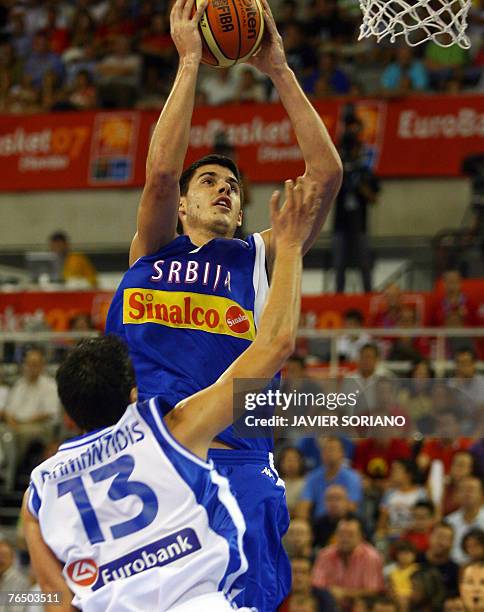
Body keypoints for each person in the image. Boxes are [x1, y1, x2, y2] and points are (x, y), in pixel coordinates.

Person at [105, 0, 342, 608]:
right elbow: (159, 175)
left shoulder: (264, 255)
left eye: (232, 186)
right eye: (208, 181)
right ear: (183, 206)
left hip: (239, 460)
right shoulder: (153, 251)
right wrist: (189, 62)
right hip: (152, 460)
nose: (225, 188)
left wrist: (280, 71)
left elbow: (326, 174)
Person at [22, 175, 316, 612]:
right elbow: (274, 346)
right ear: (133, 392)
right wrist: (290, 247)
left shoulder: (42, 486)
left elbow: (57, 601)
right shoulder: (168, 434)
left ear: (68, 410)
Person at [332, 132, 379, 293]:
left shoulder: (364, 170)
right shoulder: (338, 171)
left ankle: (367, 293)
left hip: (360, 225)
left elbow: (374, 198)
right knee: (338, 264)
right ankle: (339, 295)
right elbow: (326, 194)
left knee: (364, 262)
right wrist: (342, 176)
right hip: (341, 224)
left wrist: (358, 182)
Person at [3, 348, 60, 473]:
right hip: (16, 424)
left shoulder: (49, 385)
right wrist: (10, 419)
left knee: (15, 435)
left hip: (40, 427)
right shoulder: (19, 384)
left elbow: (49, 413)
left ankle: (12, 471)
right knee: (6, 432)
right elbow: (8, 409)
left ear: (41, 366)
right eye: (28, 364)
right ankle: (4, 463)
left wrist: (23, 422)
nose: (30, 368)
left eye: (34, 364)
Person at [312, 517, 384, 610]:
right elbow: (317, 584)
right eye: (341, 534)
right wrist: (331, 593)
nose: (344, 539)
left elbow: (373, 591)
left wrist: (344, 593)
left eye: (350, 535)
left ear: (361, 537)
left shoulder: (371, 557)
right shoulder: (325, 554)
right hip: (329, 605)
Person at [296, 437, 362, 521]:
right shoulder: (313, 477)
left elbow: (352, 507)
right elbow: (304, 505)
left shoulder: (352, 477)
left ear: (342, 453)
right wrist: (303, 522)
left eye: (333, 449)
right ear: (321, 454)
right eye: (326, 450)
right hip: (319, 523)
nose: (329, 453)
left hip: (344, 521)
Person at [446, 477, 484, 565]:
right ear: (457, 495)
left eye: (471, 490)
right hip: (454, 568)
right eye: (463, 490)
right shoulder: (449, 521)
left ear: (481, 495)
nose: (467, 494)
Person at [419, 522, 459, 597]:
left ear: (452, 543)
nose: (441, 542)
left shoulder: (455, 570)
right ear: (429, 537)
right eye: (438, 536)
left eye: (446, 539)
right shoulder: (415, 561)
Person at [312, 484, 354, 548]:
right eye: (330, 499)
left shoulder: (357, 522)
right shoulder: (318, 523)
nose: (334, 503)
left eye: (338, 499)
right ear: (324, 502)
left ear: (347, 501)